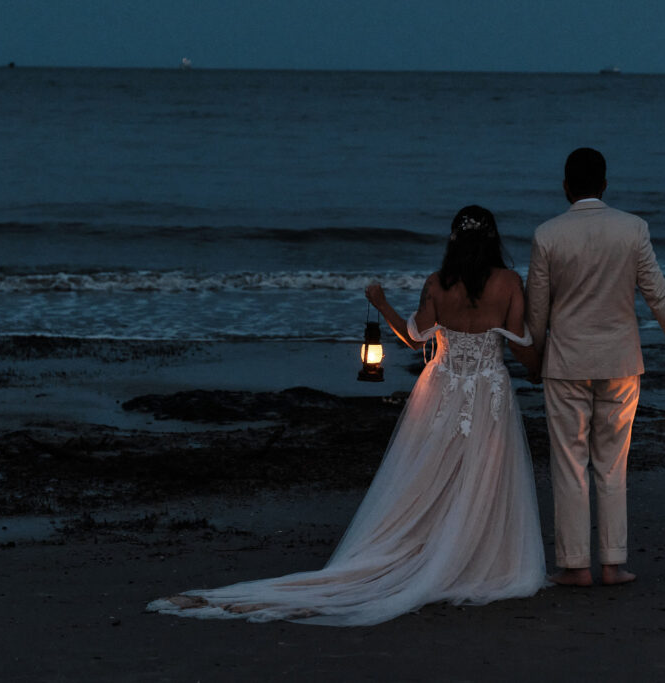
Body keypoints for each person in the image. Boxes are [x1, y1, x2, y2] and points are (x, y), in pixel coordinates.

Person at [147, 205, 547, 626]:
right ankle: (470, 556)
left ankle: (434, 550)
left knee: (431, 472)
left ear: (453, 240)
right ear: (492, 239)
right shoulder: (508, 283)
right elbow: (520, 343)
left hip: (443, 387)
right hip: (487, 389)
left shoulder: (437, 284)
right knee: (483, 471)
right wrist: (539, 368)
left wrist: (380, 302)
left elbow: (414, 340)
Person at [524, 148, 665, 587]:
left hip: (566, 362)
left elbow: (537, 311)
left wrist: (535, 359)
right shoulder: (632, 229)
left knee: (569, 464)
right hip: (621, 361)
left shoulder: (547, 235)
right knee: (612, 463)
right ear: (605, 185)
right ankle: (613, 563)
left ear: (565, 186)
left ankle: (574, 565)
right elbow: (657, 295)